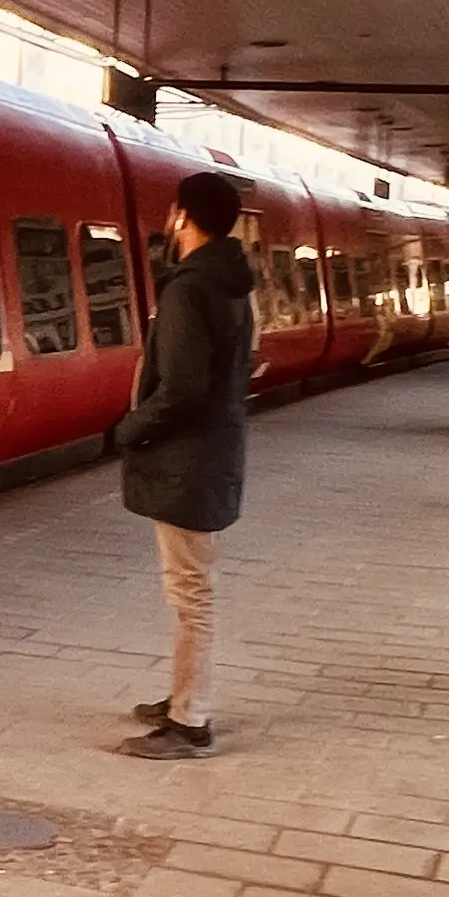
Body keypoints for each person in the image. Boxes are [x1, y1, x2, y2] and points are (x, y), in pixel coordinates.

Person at [114, 170, 255, 758]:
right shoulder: (231, 287)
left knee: (191, 592)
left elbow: (182, 389)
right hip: (209, 457)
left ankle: (190, 720)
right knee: (191, 589)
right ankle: (181, 698)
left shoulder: (189, 290)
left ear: (182, 218)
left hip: (187, 464)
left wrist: (127, 429)